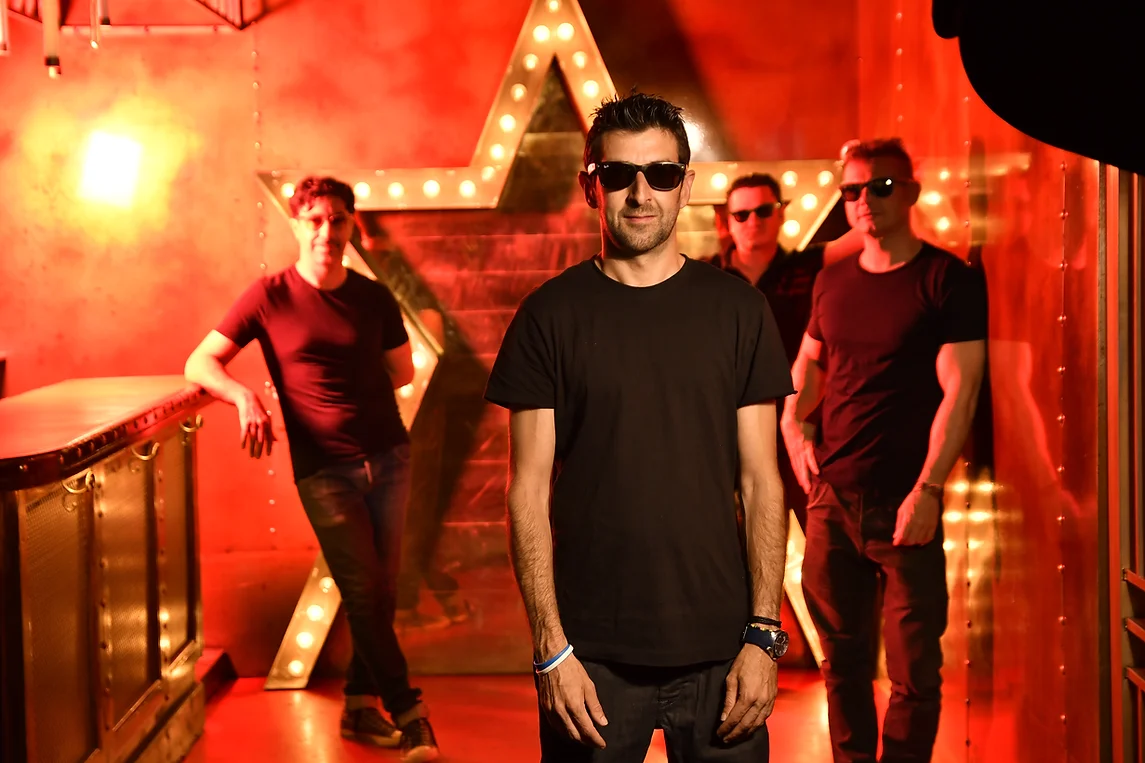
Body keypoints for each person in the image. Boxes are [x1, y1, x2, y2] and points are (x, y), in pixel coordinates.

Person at [484, 92, 793, 762]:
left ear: (687, 184)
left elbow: (762, 482)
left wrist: (764, 637)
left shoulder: (739, 311)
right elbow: (526, 491)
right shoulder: (548, 317)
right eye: (619, 174)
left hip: (723, 652)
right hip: (589, 657)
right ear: (589, 186)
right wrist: (550, 649)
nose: (640, 193)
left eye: (661, 173)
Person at [184, 176, 440, 763]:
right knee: (364, 589)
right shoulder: (269, 295)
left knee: (380, 593)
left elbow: (402, 371)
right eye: (316, 219)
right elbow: (200, 361)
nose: (328, 231)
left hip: (390, 458)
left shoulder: (374, 298)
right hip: (325, 471)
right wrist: (244, 396)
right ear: (297, 225)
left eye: (338, 219)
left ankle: (358, 706)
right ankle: (411, 714)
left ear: (352, 225)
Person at [781, 138, 987, 762]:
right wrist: (795, 425)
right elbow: (809, 367)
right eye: (853, 190)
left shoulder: (945, 280)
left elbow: (962, 391)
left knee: (914, 674)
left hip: (906, 504)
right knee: (841, 668)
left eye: (882, 186)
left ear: (912, 192)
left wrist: (929, 489)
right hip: (833, 502)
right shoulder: (833, 282)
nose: (865, 200)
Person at [709, 173, 863, 529]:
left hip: (797, 420)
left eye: (764, 211)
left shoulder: (806, 267)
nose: (753, 221)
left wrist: (859, 180)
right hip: (726, 429)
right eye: (741, 214)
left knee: (821, 531)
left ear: (780, 214)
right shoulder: (705, 276)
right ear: (728, 222)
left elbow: (864, 234)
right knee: (731, 541)